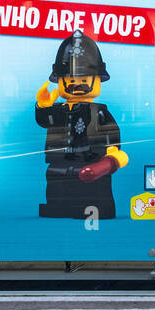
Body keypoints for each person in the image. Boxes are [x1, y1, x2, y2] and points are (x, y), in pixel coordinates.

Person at [34, 30, 129, 219]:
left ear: (97, 80)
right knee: (57, 194)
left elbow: (112, 140)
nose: (76, 85)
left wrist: (109, 159)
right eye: (69, 80)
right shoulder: (58, 110)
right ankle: (58, 208)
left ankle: (93, 210)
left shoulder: (99, 112)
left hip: (91, 168)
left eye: (84, 80)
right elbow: (45, 122)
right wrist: (43, 106)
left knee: (92, 197)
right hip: (58, 168)